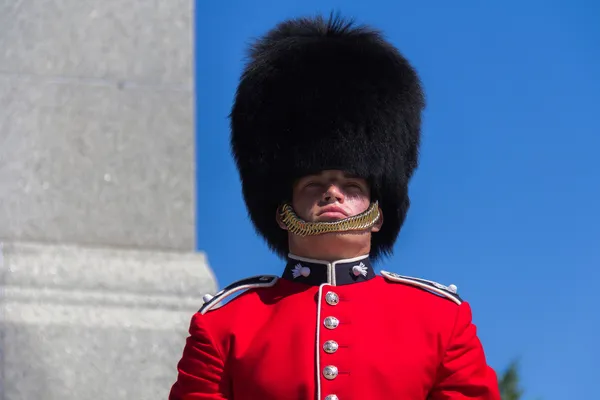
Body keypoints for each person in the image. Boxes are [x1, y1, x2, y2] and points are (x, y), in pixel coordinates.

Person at [169, 14, 501, 400]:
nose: (333, 194)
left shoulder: (441, 321)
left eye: (352, 185)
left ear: (378, 212)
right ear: (282, 211)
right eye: (313, 184)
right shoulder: (224, 324)